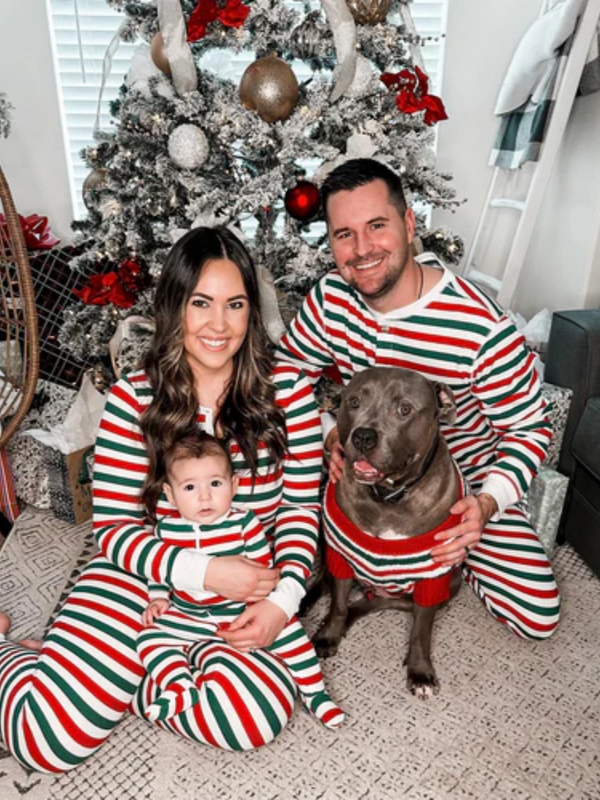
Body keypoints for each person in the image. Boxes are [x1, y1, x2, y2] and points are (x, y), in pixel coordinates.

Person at [0, 226, 328, 772]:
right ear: (175, 306)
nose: (219, 325)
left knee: (256, 716)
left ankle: (133, 674)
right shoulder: (134, 396)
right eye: (201, 303)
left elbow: (297, 513)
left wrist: (281, 602)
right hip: (141, 575)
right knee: (50, 740)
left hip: (246, 577)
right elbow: (115, 529)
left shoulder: (289, 392)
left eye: (235, 304)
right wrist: (201, 572)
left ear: (252, 311)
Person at [276, 157, 561, 641]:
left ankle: (454, 561)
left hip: (458, 487)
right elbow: (286, 369)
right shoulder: (330, 299)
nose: (362, 249)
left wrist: (486, 506)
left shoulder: (480, 328)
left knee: (537, 614)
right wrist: (327, 435)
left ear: (409, 224)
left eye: (377, 226)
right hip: (361, 460)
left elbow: (530, 428)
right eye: (344, 234)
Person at [137, 429, 343, 727]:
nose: (205, 496)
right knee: (149, 639)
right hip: (188, 613)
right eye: (190, 487)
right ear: (170, 494)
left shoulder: (244, 523)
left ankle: (316, 694)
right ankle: (179, 684)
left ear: (233, 485)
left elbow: (263, 571)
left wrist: (264, 605)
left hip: (239, 611)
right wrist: (156, 598)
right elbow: (159, 569)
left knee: (293, 637)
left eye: (215, 483)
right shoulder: (166, 529)